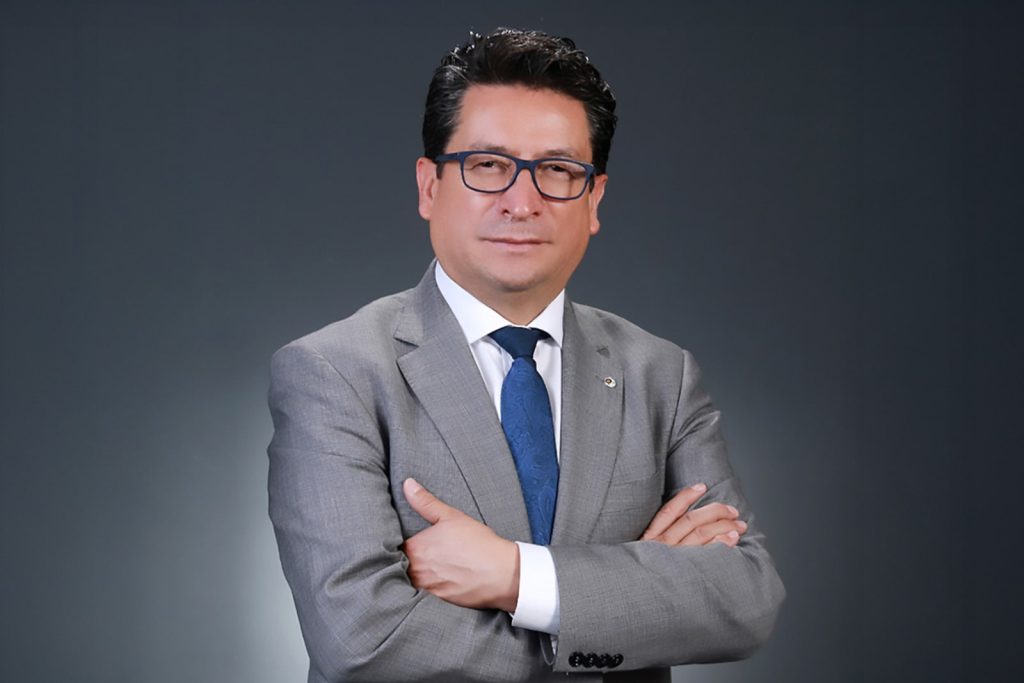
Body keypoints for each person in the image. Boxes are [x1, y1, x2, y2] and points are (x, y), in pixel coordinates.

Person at [267, 28, 785, 683]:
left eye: (558, 170)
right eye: (488, 165)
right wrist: (625, 605)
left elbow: (744, 598)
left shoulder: (661, 375)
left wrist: (516, 575)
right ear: (429, 187)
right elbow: (365, 638)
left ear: (594, 200)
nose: (522, 201)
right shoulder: (335, 372)